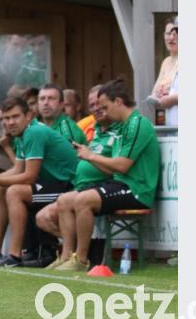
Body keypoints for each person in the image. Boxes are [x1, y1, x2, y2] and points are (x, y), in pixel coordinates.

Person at [51, 79, 160, 271]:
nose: (103, 112)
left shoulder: (137, 124)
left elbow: (123, 166)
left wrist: (91, 155)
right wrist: (89, 156)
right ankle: (67, 256)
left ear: (118, 101)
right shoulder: (124, 126)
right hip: (120, 184)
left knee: (84, 199)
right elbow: (113, 168)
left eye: (105, 107)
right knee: (64, 200)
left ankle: (81, 260)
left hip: (137, 190)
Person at [0, 97, 77, 267]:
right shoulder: (21, 134)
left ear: (28, 116)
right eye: (6, 118)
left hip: (69, 186)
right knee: (1, 189)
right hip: (51, 183)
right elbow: (18, 170)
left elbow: (29, 176)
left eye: (15, 117)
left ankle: (15, 254)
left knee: (14, 191)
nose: (10, 122)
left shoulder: (34, 132)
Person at [36, 83, 121, 267]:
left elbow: (119, 167)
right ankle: (67, 255)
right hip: (81, 186)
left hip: (90, 185)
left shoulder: (120, 130)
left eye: (100, 104)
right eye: (92, 106)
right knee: (42, 216)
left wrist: (90, 158)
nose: (96, 109)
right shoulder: (98, 130)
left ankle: (81, 256)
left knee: (17, 194)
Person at [148, 16, 178, 126]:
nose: (171, 38)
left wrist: (171, 96)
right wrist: (159, 94)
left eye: (174, 34)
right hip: (169, 122)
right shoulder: (165, 62)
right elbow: (154, 93)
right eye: (167, 33)